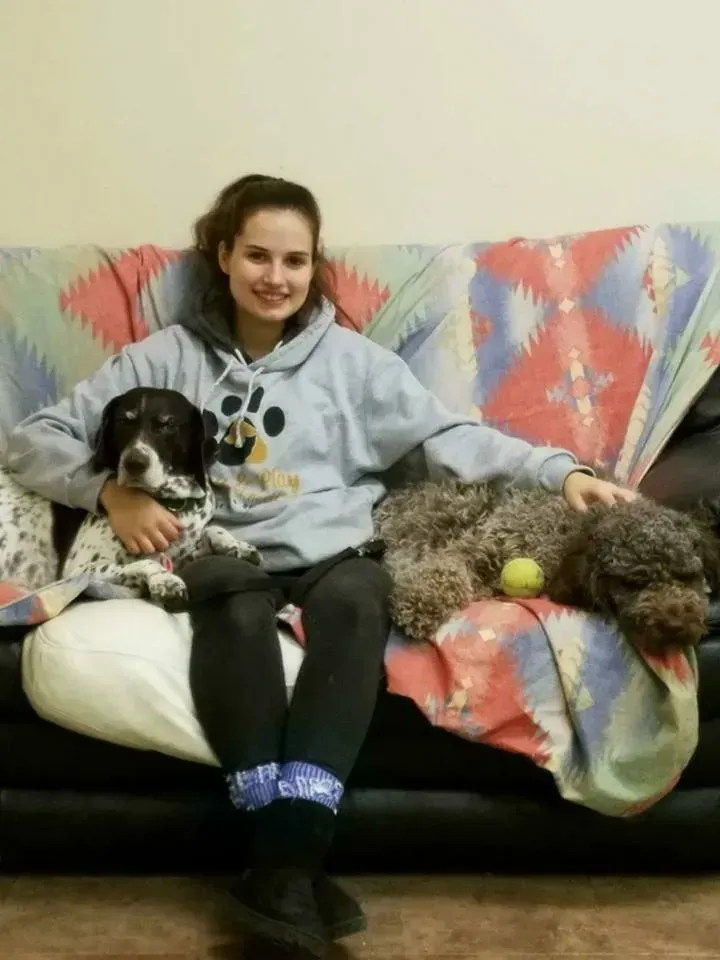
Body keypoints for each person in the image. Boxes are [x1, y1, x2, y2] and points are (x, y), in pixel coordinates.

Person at [4, 174, 636, 956]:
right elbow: (32, 438)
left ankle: (283, 856)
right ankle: (294, 866)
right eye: (258, 255)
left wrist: (563, 471)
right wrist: (108, 492)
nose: (277, 277)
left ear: (314, 267)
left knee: (362, 595)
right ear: (223, 255)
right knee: (230, 596)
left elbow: (451, 438)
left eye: (295, 260)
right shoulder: (162, 358)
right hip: (217, 554)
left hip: (335, 551)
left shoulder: (355, 365)